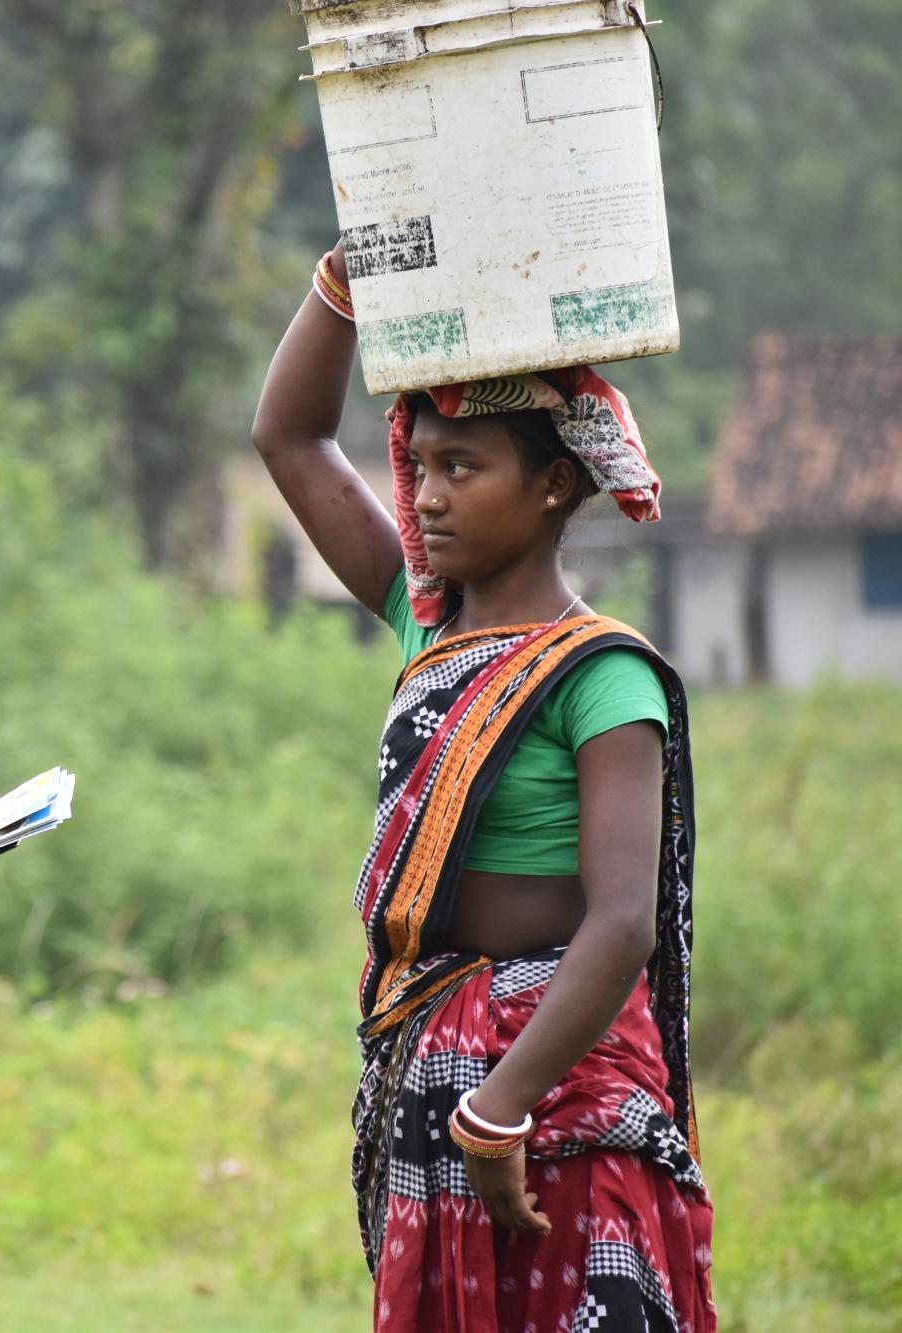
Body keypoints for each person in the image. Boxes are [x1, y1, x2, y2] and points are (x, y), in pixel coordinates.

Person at [250, 245, 714, 1331]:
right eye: (418, 466)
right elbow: (287, 437)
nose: (426, 492)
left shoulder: (600, 675)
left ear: (552, 481)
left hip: (559, 1075)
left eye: (462, 466)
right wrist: (342, 283)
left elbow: (618, 925)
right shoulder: (427, 621)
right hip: (434, 1045)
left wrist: (496, 1110)